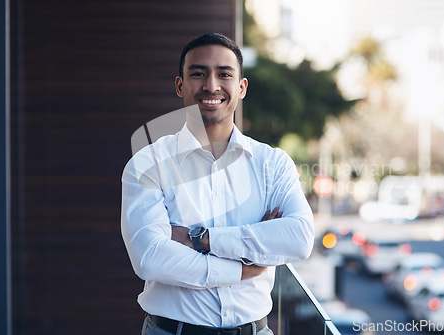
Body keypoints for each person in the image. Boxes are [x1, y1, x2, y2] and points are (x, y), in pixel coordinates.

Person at [121, 32, 314, 335]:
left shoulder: (272, 164)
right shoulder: (147, 164)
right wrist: (243, 266)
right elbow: (150, 258)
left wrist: (200, 239)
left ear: (241, 87)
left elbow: (299, 238)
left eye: (224, 74)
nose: (211, 86)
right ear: (179, 85)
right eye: (198, 74)